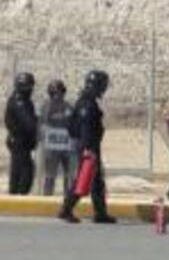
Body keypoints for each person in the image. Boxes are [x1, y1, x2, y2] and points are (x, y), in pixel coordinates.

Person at [59, 70, 117, 224]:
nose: (104, 89)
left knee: (96, 181)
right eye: (103, 85)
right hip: (87, 146)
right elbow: (85, 129)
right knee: (83, 178)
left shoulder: (86, 100)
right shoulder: (87, 103)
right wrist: (88, 149)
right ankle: (66, 209)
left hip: (89, 145)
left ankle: (100, 213)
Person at [39, 80, 75, 196]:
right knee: (50, 175)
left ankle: (68, 198)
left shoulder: (68, 107)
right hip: (51, 148)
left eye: (58, 93)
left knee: (69, 175)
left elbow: (73, 125)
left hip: (67, 148)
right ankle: (47, 198)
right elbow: (42, 125)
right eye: (53, 93)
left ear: (63, 93)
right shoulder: (46, 107)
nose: (56, 96)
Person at [5, 72, 38, 195]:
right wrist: (38, 126)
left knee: (17, 170)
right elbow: (28, 122)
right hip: (20, 141)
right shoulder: (20, 101)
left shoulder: (21, 99)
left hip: (19, 140)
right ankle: (19, 195)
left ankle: (14, 195)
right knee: (26, 170)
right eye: (29, 86)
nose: (31, 89)